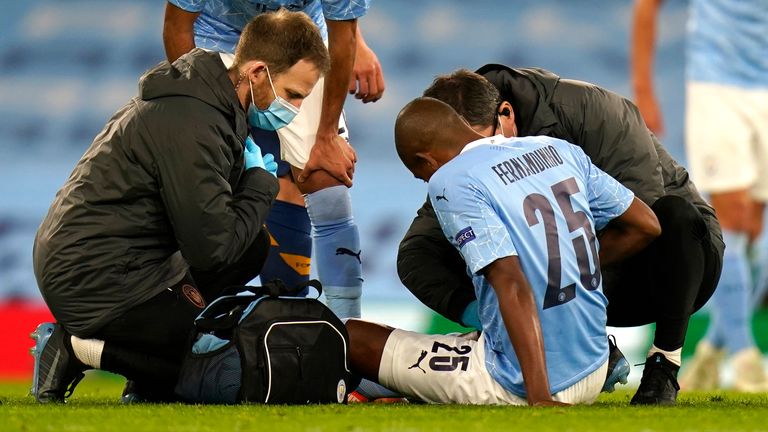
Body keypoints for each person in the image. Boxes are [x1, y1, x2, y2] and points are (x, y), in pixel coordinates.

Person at [29, 10, 330, 403]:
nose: (295, 108)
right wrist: (259, 185)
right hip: (93, 276)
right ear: (257, 72)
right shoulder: (194, 122)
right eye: (293, 95)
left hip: (124, 261)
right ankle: (73, 347)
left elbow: (219, 235)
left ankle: (148, 375)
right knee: (220, 371)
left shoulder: (209, 104)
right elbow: (211, 250)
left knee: (252, 246)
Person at [396, 66, 724, 405]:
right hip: (562, 282)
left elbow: (642, 222)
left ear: (506, 113)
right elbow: (415, 255)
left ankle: (663, 364)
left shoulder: (596, 113)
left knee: (675, 216)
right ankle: (512, 339)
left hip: (668, 269)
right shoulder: (461, 165)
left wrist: (554, 285)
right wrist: (491, 314)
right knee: (437, 253)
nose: (472, 160)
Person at [346, 97, 660, 406]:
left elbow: (509, 279)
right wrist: (571, 265)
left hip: (529, 383)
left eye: (421, 174)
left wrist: (539, 397)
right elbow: (645, 225)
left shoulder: (452, 179)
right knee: (463, 336)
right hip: (594, 361)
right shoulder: (555, 149)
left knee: (351, 337)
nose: (426, 180)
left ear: (426, 160)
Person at [164, 0, 384, 318]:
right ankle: (203, 323)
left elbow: (342, 29)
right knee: (209, 183)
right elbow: (177, 25)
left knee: (326, 177)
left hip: (300, 43)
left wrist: (326, 136)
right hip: (220, 42)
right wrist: (198, 105)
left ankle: (343, 329)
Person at [632, 0, 768, 392]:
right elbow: (647, 6)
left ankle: (712, 349)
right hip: (717, 87)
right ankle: (746, 358)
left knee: (754, 229)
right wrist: (643, 87)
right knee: (734, 217)